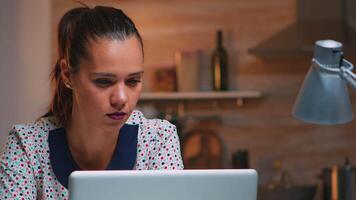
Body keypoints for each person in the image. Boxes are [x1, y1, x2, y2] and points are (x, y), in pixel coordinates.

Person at [0, 5, 183, 199]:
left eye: (132, 81)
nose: (121, 98)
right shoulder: (27, 145)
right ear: (68, 74)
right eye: (103, 81)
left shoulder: (159, 139)